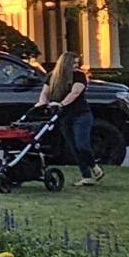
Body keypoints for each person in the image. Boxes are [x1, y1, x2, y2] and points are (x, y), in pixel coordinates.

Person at [43, 52, 101, 184]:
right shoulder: (52, 77)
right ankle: (86, 177)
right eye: (74, 63)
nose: (76, 65)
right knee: (73, 148)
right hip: (64, 117)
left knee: (82, 144)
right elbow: (44, 93)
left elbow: (74, 93)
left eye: (77, 63)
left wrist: (61, 104)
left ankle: (94, 166)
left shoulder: (80, 76)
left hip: (81, 115)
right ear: (65, 64)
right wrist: (42, 103)